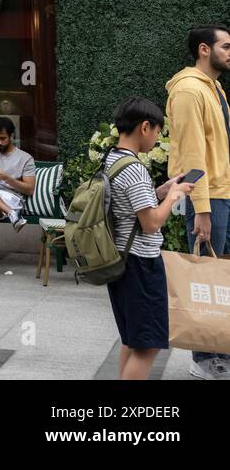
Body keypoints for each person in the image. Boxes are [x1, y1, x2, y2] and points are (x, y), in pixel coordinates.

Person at [103, 97, 195, 380]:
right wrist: (175, 197)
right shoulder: (134, 168)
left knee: (132, 340)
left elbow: (131, 205)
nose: (158, 137)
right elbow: (152, 222)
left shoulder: (112, 159)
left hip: (119, 259)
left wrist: (162, 191)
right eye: (157, 131)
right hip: (140, 265)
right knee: (148, 347)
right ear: (145, 127)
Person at [166, 24, 230, 379]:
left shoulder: (214, 87)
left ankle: (221, 346)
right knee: (206, 276)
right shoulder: (190, 90)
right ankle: (204, 357)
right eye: (226, 46)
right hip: (211, 198)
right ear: (204, 50)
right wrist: (202, 209)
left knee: (222, 277)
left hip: (224, 192)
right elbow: (192, 154)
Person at [0, 116, 35, 230]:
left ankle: (12, 212)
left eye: (2, 138)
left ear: (11, 136)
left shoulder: (25, 158)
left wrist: (6, 178)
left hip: (12, 199)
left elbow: (30, 189)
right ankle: (13, 215)